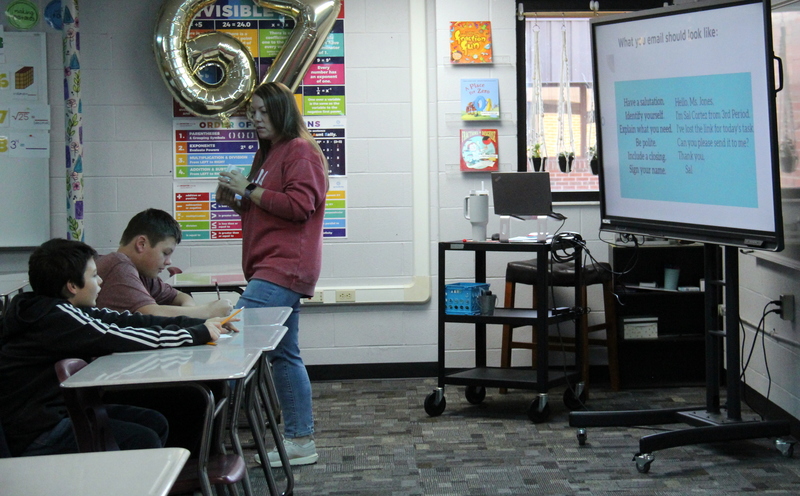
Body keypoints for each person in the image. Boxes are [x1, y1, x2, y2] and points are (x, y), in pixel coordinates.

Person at [0, 238, 235, 457]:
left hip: (59, 415)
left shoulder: (58, 310)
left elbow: (129, 320)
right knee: (143, 439)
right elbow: (121, 336)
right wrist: (196, 334)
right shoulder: (55, 318)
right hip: (38, 433)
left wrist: (199, 325)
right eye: (94, 276)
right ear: (72, 285)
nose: (100, 281)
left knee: (157, 422)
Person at [216, 81, 328, 468]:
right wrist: (236, 200)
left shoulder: (299, 152)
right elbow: (264, 210)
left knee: (230, 340)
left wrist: (248, 188)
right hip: (271, 267)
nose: (257, 120)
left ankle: (210, 440)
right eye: (252, 114)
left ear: (283, 112)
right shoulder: (268, 155)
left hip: (283, 269)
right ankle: (299, 440)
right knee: (284, 355)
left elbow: (300, 206)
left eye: (264, 112)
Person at [96, 208, 233, 318]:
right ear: (141, 244)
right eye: (165, 253)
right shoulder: (119, 266)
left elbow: (180, 296)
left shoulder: (141, 272)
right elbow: (152, 313)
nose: (169, 262)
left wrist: (190, 312)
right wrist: (208, 311)